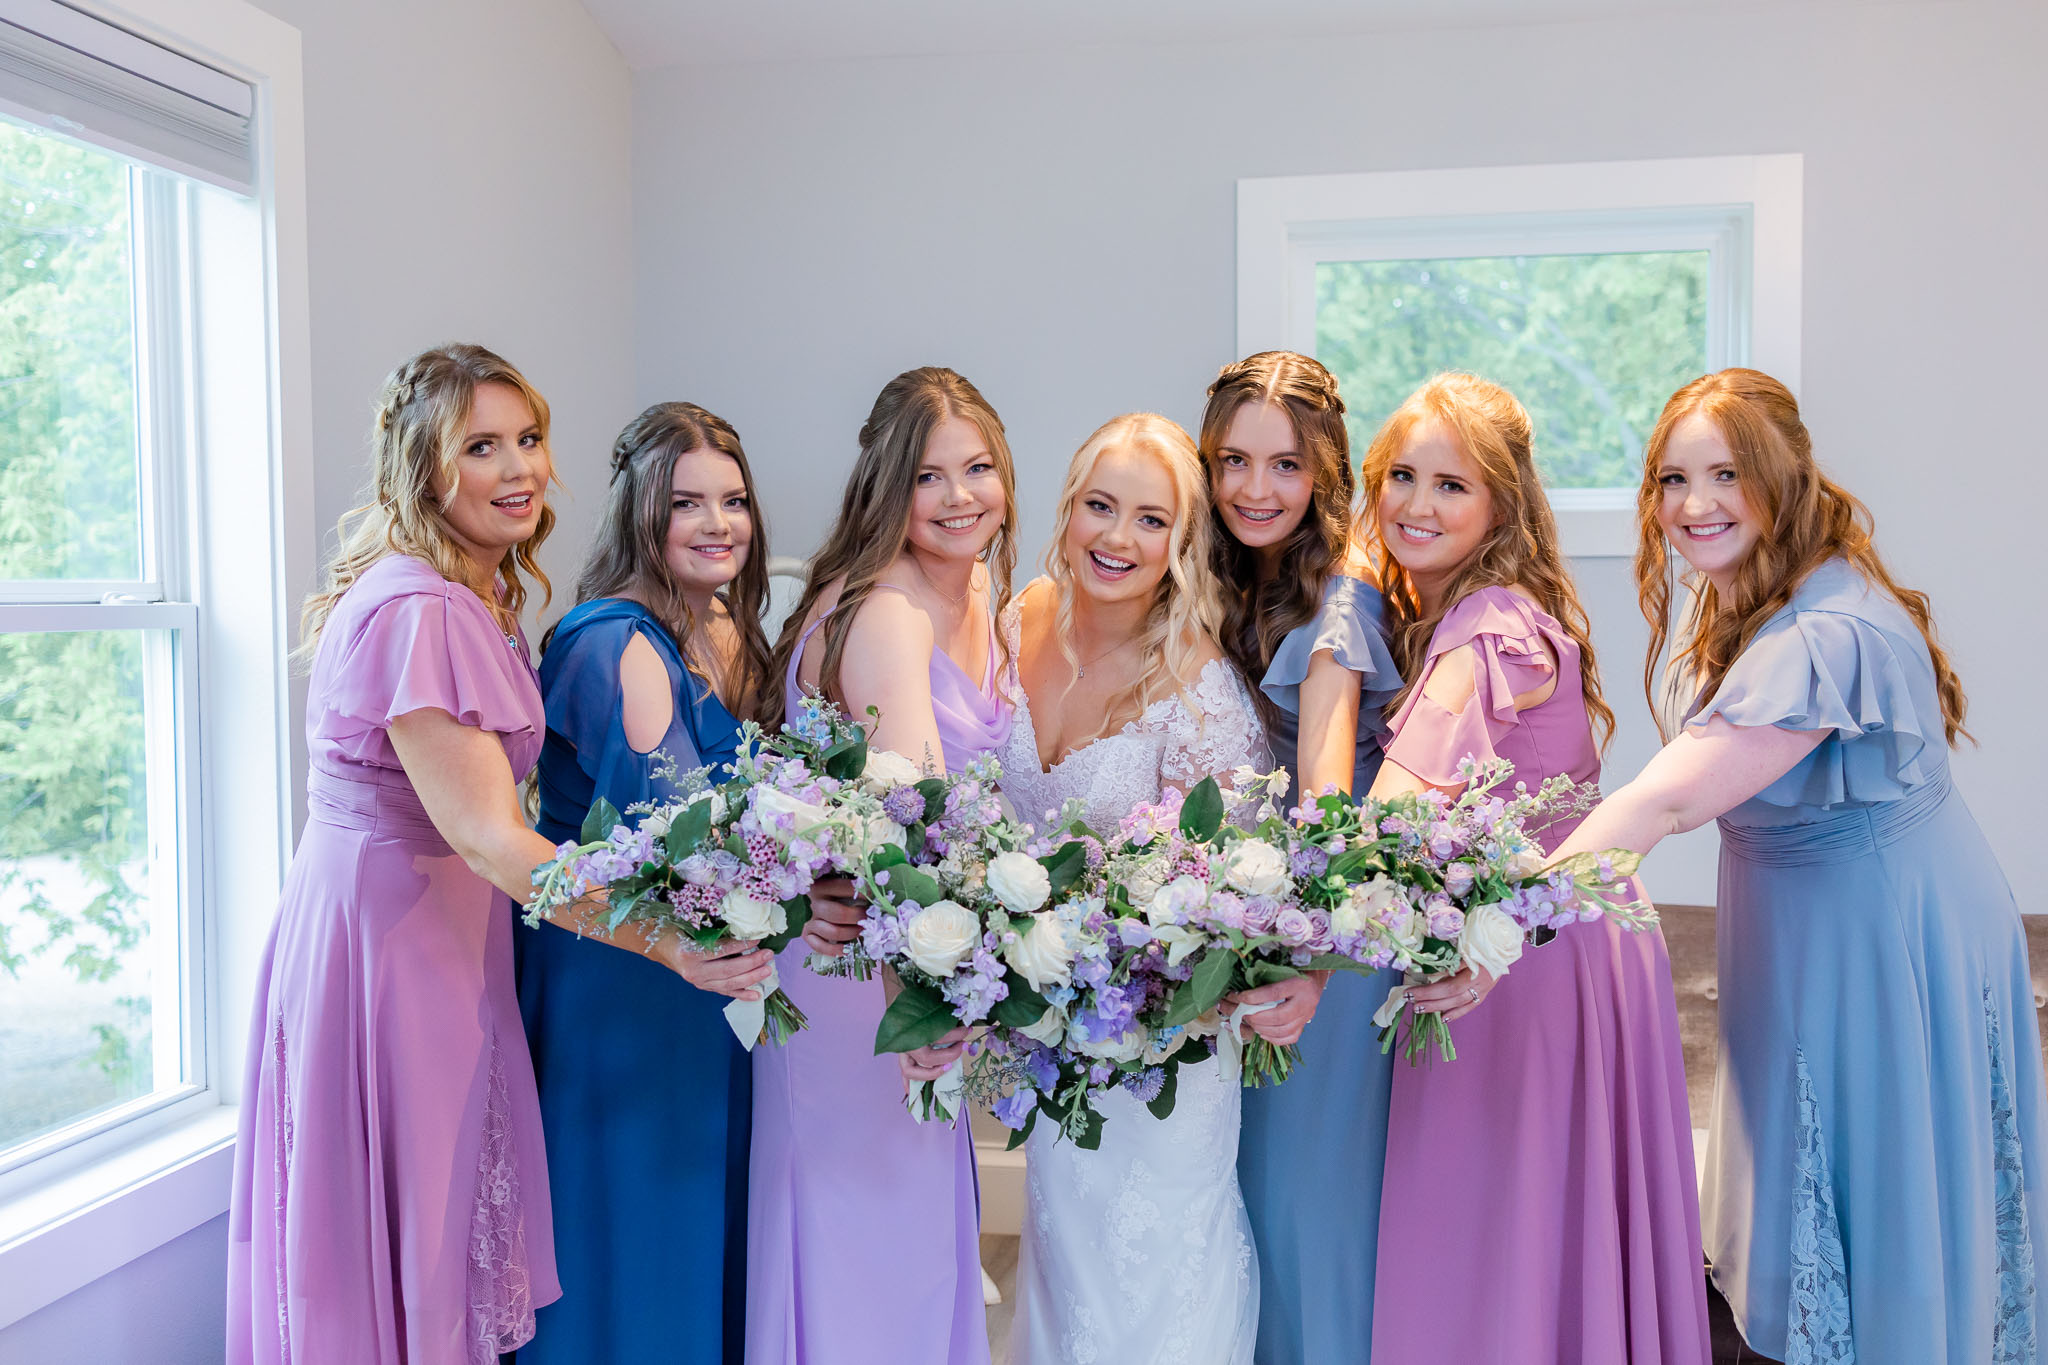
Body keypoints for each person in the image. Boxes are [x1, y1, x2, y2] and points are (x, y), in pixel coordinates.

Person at [1532, 368, 2047, 1365]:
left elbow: (1665, 800)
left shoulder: (1824, 633)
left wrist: (1497, 916)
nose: (1693, 504)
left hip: (1879, 942)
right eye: (1672, 479)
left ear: (1782, 476)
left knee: (1882, 1208)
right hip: (1815, 931)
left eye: (1725, 473)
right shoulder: (1767, 590)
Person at [227, 345, 705, 1365]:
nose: (519, 467)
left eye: (527, 439)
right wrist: (670, 942)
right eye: (481, 447)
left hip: (426, 930)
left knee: (433, 1229)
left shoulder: (465, 592)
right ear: (424, 469)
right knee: (418, 1231)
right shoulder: (422, 611)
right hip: (393, 950)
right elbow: (493, 838)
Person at [1363, 373, 1709, 1365]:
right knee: (1536, 1239)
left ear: (1499, 505)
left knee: (1490, 1237)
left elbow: (1390, 816)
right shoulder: (1487, 609)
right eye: (1401, 476)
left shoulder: (1485, 630)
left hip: (1526, 958)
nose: (1417, 504)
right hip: (1572, 938)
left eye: (1451, 485)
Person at [747, 367, 1017, 1365]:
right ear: (885, 488)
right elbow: (913, 825)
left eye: (977, 468)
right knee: (865, 1244)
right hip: (867, 974)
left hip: (904, 956)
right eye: (927, 477)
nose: (959, 496)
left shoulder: (977, 590)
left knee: (913, 1246)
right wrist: (926, 996)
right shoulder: (889, 612)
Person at [1000, 412, 1269, 1365]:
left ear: (1182, 542)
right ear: (1068, 509)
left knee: (1154, 1283)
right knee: (1066, 1274)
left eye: (1150, 519)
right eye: (1100, 506)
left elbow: (1234, 889)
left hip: (1164, 1044)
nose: (1117, 538)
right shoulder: (1017, 620)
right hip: (1044, 1028)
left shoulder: (1199, 688)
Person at [512, 402, 777, 1364]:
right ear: (639, 512)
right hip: (626, 973)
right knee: (631, 1226)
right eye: (687, 503)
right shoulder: (618, 640)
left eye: (733, 500)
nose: (718, 523)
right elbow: (677, 832)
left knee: (682, 1226)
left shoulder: (708, 627)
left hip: (687, 967)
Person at [1199, 352, 1403, 1363]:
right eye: (1232, 461)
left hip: (1327, 938)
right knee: (1252, 1203)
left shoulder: (1339, 602)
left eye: (1284, 465)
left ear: (1325, 471)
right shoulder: (1234, 576)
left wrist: (1314, 959)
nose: (1254, 488)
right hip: (1253, 926)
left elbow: (1326, 803)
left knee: (1303, 1208)